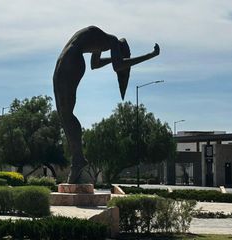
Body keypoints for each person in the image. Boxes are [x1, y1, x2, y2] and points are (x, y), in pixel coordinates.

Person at [53, 26, 160, 183]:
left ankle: (78, 160)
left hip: (68, 60)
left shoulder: (99, 37)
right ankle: (78, 159)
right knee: (64, 115)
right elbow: (103, 65)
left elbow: (102, 64)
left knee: (66, 115)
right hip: (69, 61)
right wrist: (149, 55)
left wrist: (118, 60)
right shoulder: (112, 41)